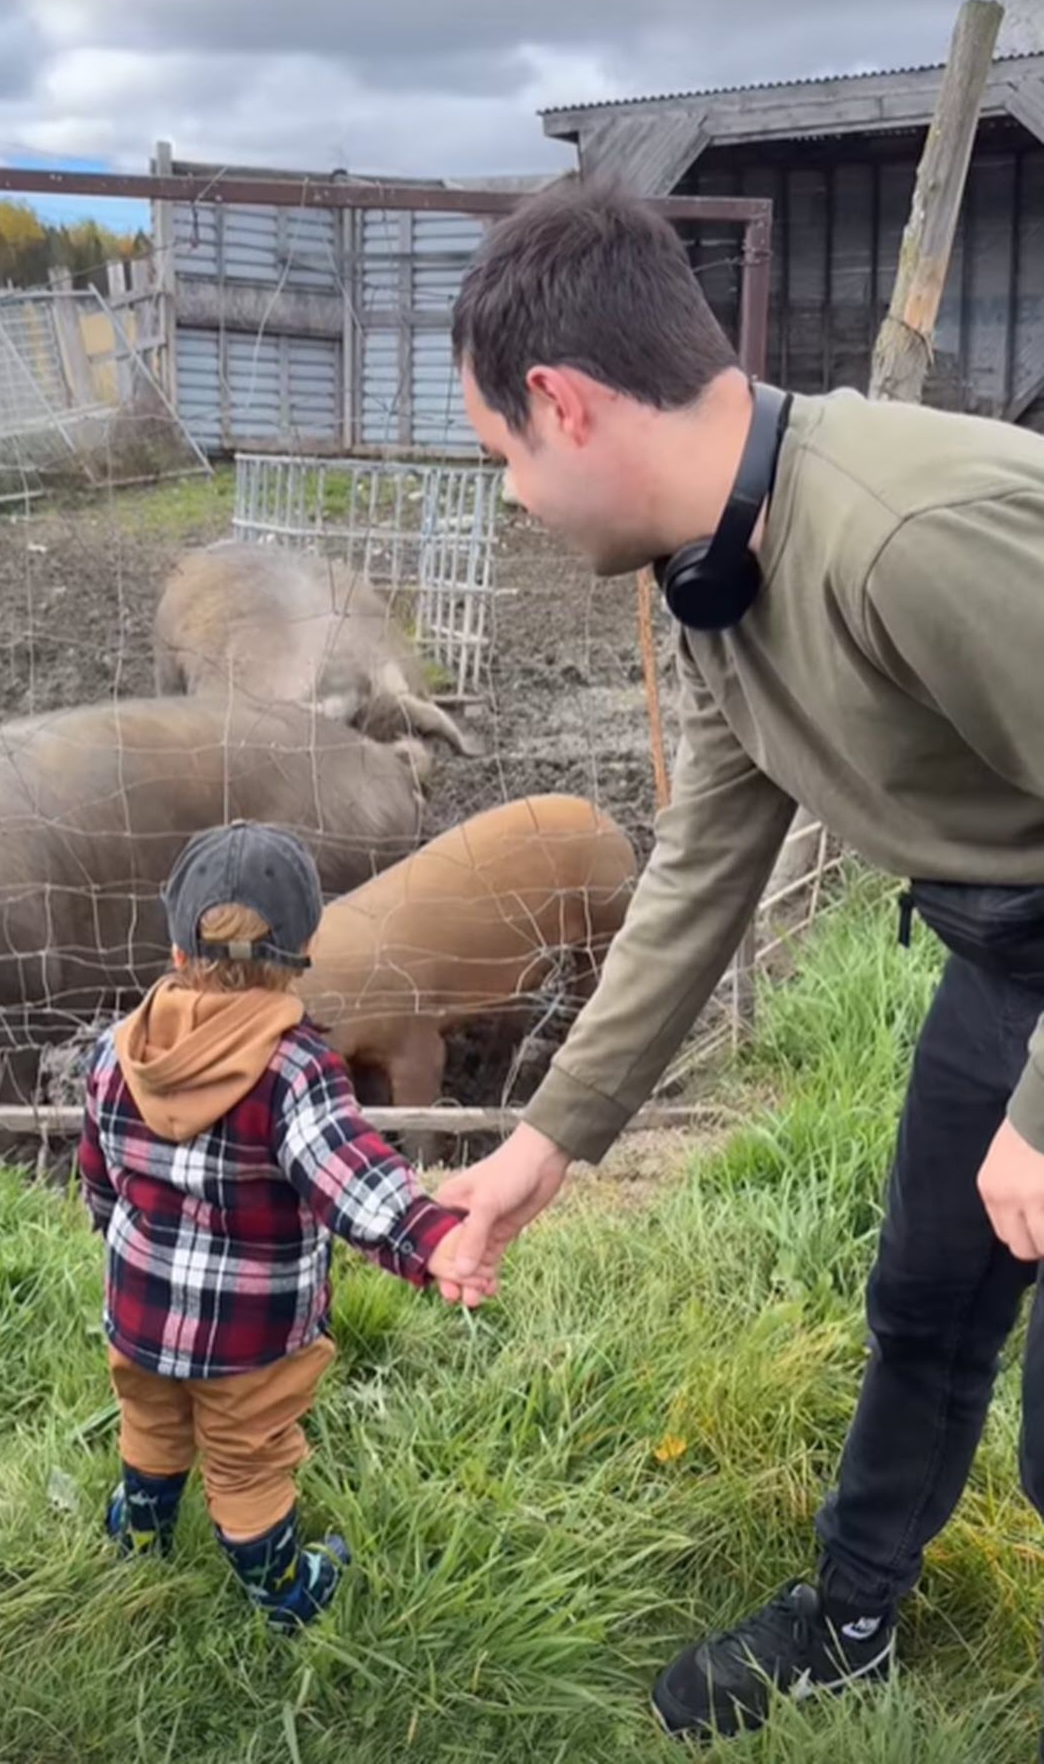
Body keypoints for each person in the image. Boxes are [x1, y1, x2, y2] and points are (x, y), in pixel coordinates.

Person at [434, 176, 1044, 1741]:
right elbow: (705, 858)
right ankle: (850, 1616)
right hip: (1009, 947)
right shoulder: (713, 571)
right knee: (926, 1298)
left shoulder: (913, 535)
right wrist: (546, 1140)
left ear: (561, 405)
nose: (507, 497)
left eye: (500, 454)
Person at [77, 820, 488, 1632]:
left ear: (177, 949)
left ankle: (138, 1540)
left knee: (151, 1422)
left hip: (138, 1318)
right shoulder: (293, 1070)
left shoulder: (114, 1051)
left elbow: (101, 1175)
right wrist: (432, 1236)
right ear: (299, 950)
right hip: (249, 1342)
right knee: (247, 1462)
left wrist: (116, 1237)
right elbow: (350, 1177)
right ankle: (284, 1594)